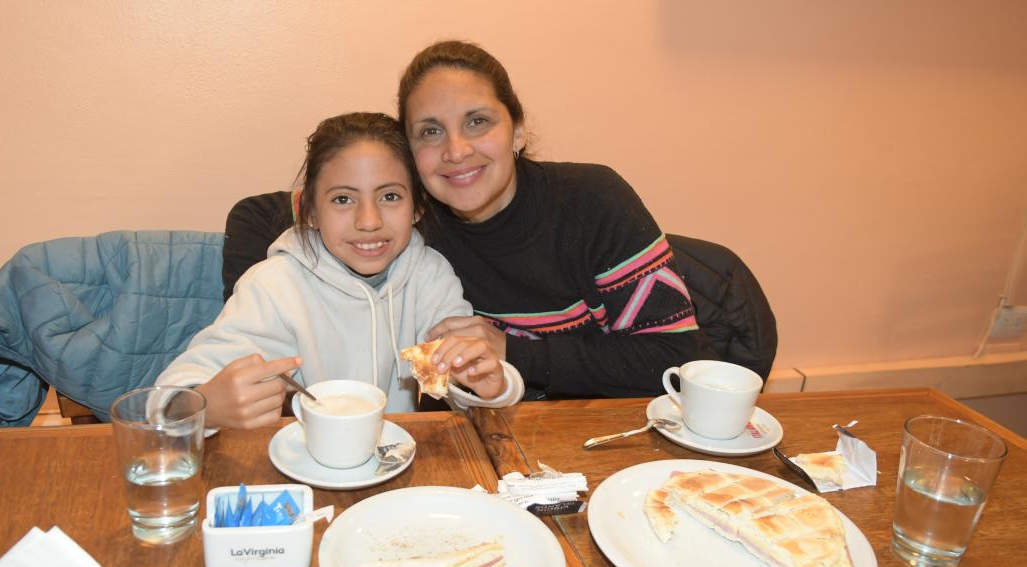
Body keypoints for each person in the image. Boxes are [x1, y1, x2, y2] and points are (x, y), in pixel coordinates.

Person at [221, 40, 716, 400]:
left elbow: (674, 360)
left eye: (478, 122)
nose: (456, 152)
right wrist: (255, 283)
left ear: (518, 130)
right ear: (411, 156)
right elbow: (265, 212)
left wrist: (511, 351)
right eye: (430, 132)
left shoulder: (591, 201)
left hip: (605, 430)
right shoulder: (414, 223)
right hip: (487, 437)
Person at [158, 112, 524, 429]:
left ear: (417, 207)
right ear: (311, 211)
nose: (369, 221)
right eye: (343, 199)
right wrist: (206, 406)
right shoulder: (274, 286)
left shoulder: (429, 277)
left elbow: (460, 386)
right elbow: (164, 403)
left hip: (399, 463)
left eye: (390, 196)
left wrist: (491, 385)